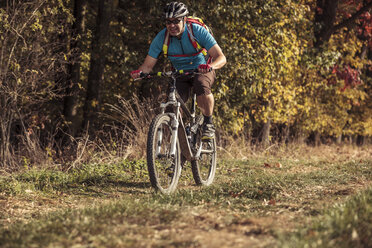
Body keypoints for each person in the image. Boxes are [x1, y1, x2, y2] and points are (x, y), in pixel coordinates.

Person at [130, 2, 226, 139]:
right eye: (168, 22)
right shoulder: (161, 38)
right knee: (171, 107)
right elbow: (147, 66)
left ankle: (208, 123)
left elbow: (221, 57)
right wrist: (139, 73)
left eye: (176, 21)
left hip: (202, 69)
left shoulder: (196, 31)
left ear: (184, 19)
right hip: (179, 73)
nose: (172, 25)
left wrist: (210, 66)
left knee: (201, 85)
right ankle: (181, 149)